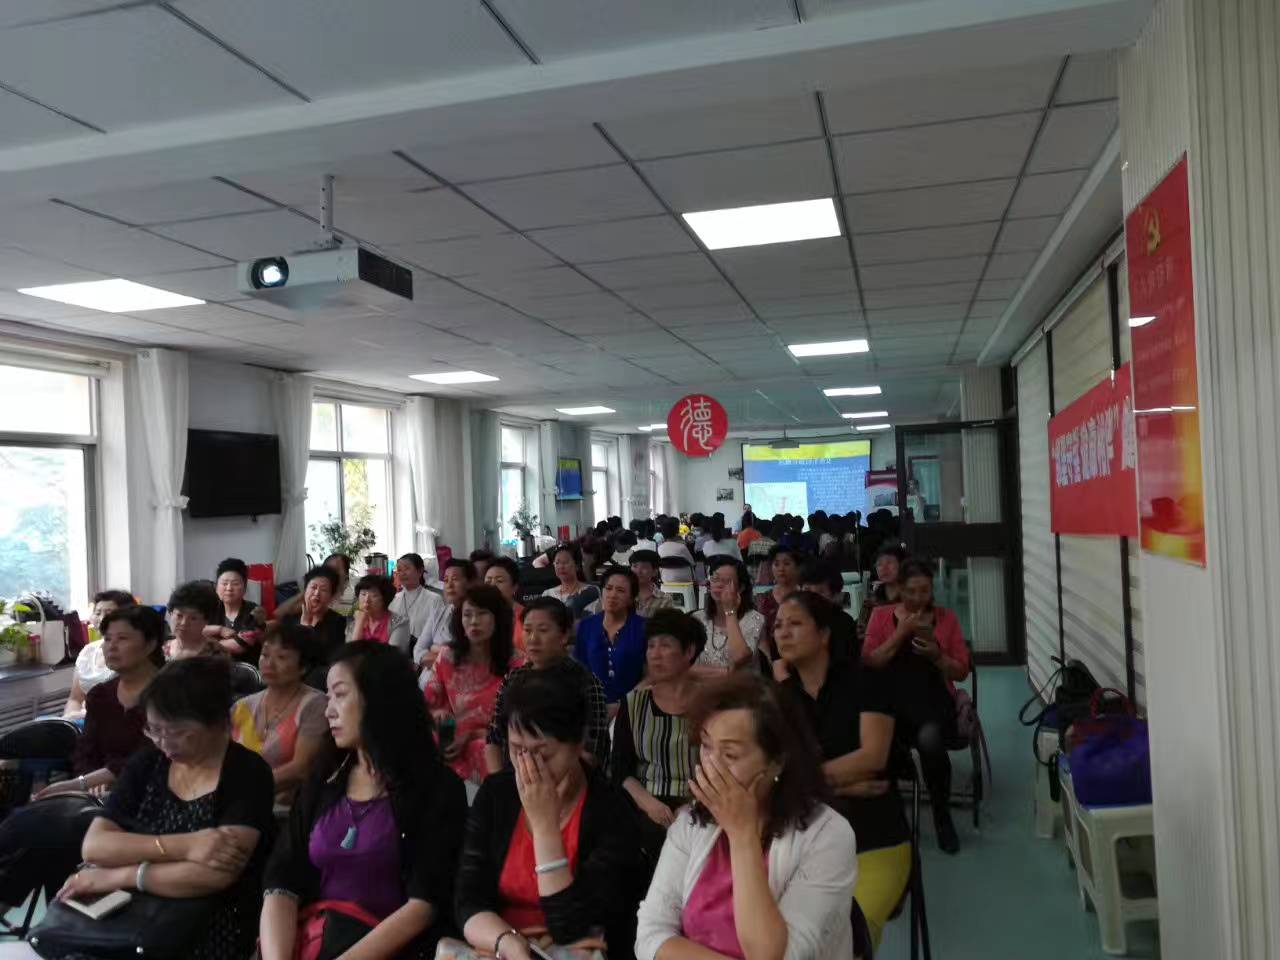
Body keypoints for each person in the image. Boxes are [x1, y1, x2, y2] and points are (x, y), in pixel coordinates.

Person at [260, 642, 468, 960]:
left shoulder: (436, 788)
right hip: (314, 939)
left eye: (340, 695)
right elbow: (282, 880)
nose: (329, 710)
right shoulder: (325, 778)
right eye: (328, 696)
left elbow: (425, 903)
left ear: (379, 699)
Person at [58, 657, 274, 960]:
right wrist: (190, 845)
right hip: (133, 918)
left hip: (212, 925)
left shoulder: (247, 773)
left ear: (217, 722)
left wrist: (120, 875)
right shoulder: (148, 764)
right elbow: (95, 847)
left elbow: (214, 876)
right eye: (154, 730)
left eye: (177, 732)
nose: (164, 743)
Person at [634, 673, 858, 960]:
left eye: (730, 755)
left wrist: (742, 835)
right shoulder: (691, 823)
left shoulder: (828, 835)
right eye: (706, 746)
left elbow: (778, 956)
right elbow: (650, 937)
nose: (710, 766)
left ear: (777, 762)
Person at [449, 667, 648, 960]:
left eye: (543, 753)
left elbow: (571, 927)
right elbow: (468, 900)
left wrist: (544, 827)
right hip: (502, 945)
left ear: (577, 744)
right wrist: (507, 942)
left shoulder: (611, 811)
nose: (528, 765)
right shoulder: (496, 795)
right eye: (517, 749)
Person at [775, 591, 909, 949]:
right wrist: (836, 784)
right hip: (801, 848)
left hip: (873, 840)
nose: (782, 632)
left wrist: (804, 782)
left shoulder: (866, 680)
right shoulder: (781, 699)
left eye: (795, 623)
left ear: (824, 634)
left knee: (847, 937)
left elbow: (873, 759)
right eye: (778, 625)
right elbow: (773, 777)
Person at [863, 560, 971, 853]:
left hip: (933, 703)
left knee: (930, 739)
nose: (918, 598)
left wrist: (937, 655)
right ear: (900, 589)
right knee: (877, 740)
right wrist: (900, 634)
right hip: (891, 703)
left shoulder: (946, 619)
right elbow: (870, 662)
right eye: (911, 591)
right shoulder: (881, 616)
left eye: (924, 591)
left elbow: (961, 671)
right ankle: (890, 819)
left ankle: (941, 817)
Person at [38, 605, 165, 799]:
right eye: (107, 639)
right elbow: (85, 751)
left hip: (152, 791)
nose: (111, 646)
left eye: (122, 638)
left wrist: (91, 780)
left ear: (150, 645)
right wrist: (89, 779)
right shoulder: (100, 695)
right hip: (98, 790)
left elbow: (151, 755)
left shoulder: (170, 693)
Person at [486, 599, 610, 775]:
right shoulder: (513, 678)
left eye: (543, 630)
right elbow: (494, 737)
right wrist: (497, 780)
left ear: (564, 635)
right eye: (527, 630)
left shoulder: (586, 683)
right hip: (513, 776)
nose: (533, 639)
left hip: (566, 779)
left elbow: (592, 752)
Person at [610, 610, 703, 830]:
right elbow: (621, 769)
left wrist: (693, 805)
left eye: (665, 645)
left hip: (699, 805)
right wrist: (649, 804)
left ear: (689, 651)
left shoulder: (710, 703)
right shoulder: (633, 703)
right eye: (651, 646)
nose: (655, 654)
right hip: (644, 806)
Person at [426, 585, 524, 784]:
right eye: (467, 615)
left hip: (497, 742)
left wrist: (472, 735)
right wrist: (439, 716)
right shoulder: (447, 657)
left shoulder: (517, 664)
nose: (474, 621)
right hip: (452, 739)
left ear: (498, 619)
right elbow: (428, 704)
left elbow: (519, 723)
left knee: (482, 748)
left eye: (482, 614)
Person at [230, 622, 328, 802]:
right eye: (265, 655)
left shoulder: (316, 705)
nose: (269, 664)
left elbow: (301, 768)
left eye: (281, 657)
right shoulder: (242, 706)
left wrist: (245, 790)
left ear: (304, 667)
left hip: (286, 808)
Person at [573, 568, 647, 706]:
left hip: (634, 705)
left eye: (620, 590)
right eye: (608, 588)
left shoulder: (644, 628)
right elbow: (579, 671)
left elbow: (650, 675)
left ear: (631, 598)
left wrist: (625, 705)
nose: (612, 595)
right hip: (593, 705)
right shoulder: (586, 626)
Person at [63, 588, 134, 719]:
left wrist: (85, 717)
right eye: (97, 613)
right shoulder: (88, 651)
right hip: (82, 719)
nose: (101, 618)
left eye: (109, 613)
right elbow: (75, 699)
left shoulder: (133, 652)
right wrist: (69, 720)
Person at [691, 558, 763, 675]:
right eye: (715, 579)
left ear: (741, 587)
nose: (719, 584)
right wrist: (726, 671)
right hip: (702, 685)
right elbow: (684, 666)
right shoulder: (697, 618)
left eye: (726, 581)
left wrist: (730, 612)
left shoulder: (755, 619)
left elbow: (740, 657)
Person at [282, 566, 349, 687]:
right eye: (313, 587)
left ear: (331, 596)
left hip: (320, 682)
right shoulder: (290, 619)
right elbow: (285, 653)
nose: (317, 593)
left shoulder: (338, 622)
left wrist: (307, 629)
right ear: (305, 591)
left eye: (323, 590)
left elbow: (329, 659)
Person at [414, 558, 478, 677]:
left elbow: (465, 660)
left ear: (470, 584)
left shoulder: (476, 618)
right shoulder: (438, 613)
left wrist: (435, 649)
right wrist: (444, 656)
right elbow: (418, 652)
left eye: (455, 579)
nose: (449, 585)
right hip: (426, 683)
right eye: (446, 580)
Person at [206, 558, 265, 664]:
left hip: (246, 669)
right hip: (215, 667)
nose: (229, 588)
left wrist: (208, 643)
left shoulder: (254, 611)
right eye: (224, 583)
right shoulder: (211, 608)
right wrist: (219, 629)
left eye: (235, 584)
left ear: (245, 588)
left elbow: (240, 645)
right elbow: (195, 630)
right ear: (216, 587)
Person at [753, 544, 805, 658]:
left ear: (797, 567)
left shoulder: (805, 597)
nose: (781, 569)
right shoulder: (764, 599)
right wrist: (769, 662)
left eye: (786, 563)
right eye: (776, 564)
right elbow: (761, 637)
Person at [800, 561, 859, 661]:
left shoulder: (845, 623)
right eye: (807, 590)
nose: (812, 597)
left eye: (820, 592)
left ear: (834, 594)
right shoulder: (792, 621)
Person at [276, 553, 355, 620]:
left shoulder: (352, 601)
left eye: (335, 570)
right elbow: (279, 613)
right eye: (327, 570)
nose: (330, 575)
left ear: (346, 576)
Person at [390, 552, 445, 649]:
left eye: (407, 569)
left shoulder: (434, 599)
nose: (402, 573)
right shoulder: (394, 600)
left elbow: (441, 633)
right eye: (399, 570)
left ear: (420, 571)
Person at [350, 573, 411, 653]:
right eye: (363, 594)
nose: (366, 600)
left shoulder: (399, 623)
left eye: (374, 595)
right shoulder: (355, 622)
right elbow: (349, 654)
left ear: (385, 599)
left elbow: (393, 656)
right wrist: (359, 623)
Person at [857, 544, 907, 643]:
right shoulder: (870, 602)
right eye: (879, 564)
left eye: (889, 562)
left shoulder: (911, 598)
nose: (884, 568)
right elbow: (861, 630)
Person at [164, 580, 224, 660]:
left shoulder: (216, 652)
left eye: (193, 618)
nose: (184, 623)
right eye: (179, 616)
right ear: (171, 613)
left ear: (206, 621)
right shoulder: (162, 648)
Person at [543, 544, 600, 621]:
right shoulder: (547, 594)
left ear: (577, 565)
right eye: (557, 563)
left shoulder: (591, 591)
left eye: (565, 562)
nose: (561, 566)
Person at [485, 556, 526, 652]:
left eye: (499, 581)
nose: (492, 585)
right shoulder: (478, 615)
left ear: (514, 587)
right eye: (488, 581)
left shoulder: (525, 616)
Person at [629, 550, 675, 618]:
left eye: (644, 567)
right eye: (635, 566)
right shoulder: (623, 594)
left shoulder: (664, 600)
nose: (638, 571)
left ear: (654, 572)